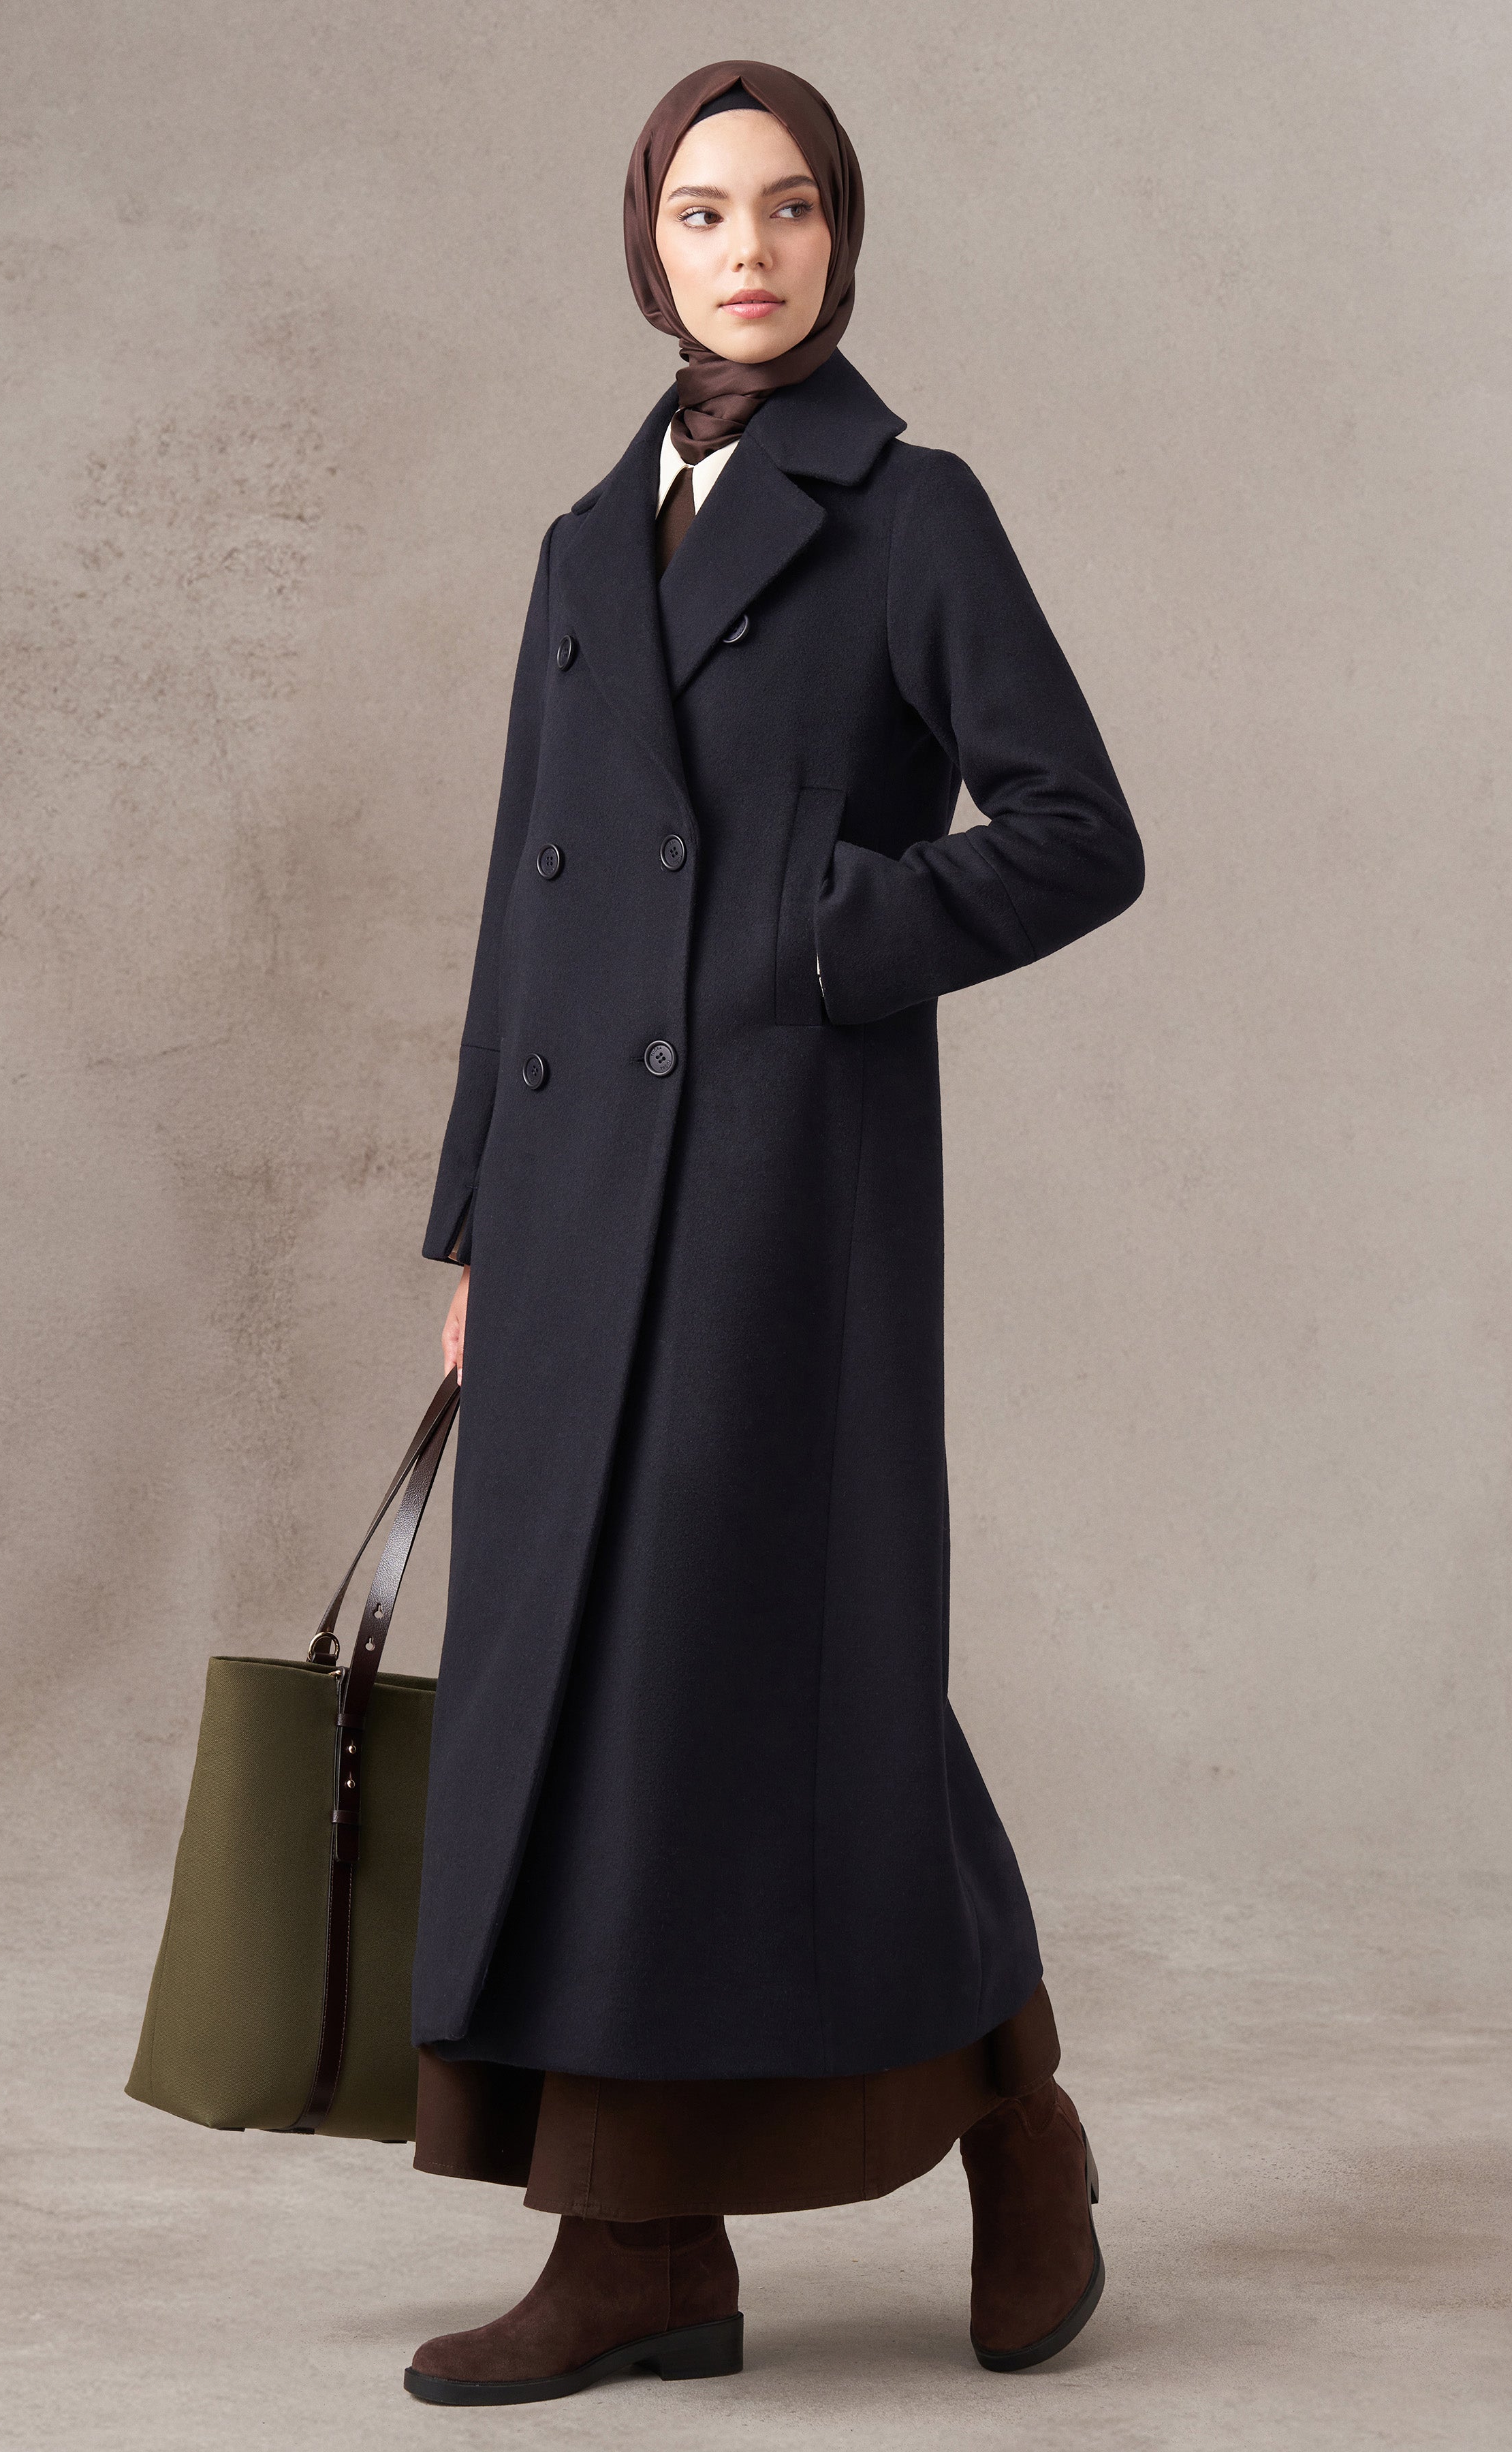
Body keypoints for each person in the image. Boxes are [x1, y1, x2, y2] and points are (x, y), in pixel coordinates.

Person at [403, 59, 1144, 2408]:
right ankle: (640, 2251)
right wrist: (472, 1224)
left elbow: (1077, 829)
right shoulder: (579, 543)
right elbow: (523, 909)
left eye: (794, 207)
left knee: (785, 1674)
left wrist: (825, 937)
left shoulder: (910, 509)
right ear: (648, 241)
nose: (752, 249)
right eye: (708, 211)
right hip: (569, 1202)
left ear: (842, 238)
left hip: (773, 1192)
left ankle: (1016, 2130)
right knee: (604, 1687)